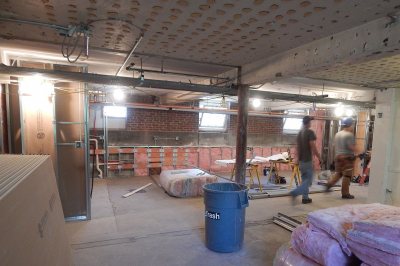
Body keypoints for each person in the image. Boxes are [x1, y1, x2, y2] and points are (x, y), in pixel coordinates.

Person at [290, 116, 322, 204]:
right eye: (310, 122)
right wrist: (319, 157)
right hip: (307, 160)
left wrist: (296, 158)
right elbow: (313, 146)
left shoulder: (300, 133)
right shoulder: (310, 132)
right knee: (309, 181)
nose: (311, 123)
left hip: (301, 161)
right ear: (308, 123)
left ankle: (305, 198)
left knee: (304, 180)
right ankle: (295, 192)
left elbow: (297, 148)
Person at [326, 117, 356, 199]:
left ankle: (329, 184)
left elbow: (334, 145)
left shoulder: (337, 134)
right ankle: (345, 193)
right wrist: (359, 151)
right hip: (346, 158)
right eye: (352, 125)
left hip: (338, 157)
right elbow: (350, 147)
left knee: (339, 173)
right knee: (347, 176)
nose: (353, 127)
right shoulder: (349, 135)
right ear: (350, 125)